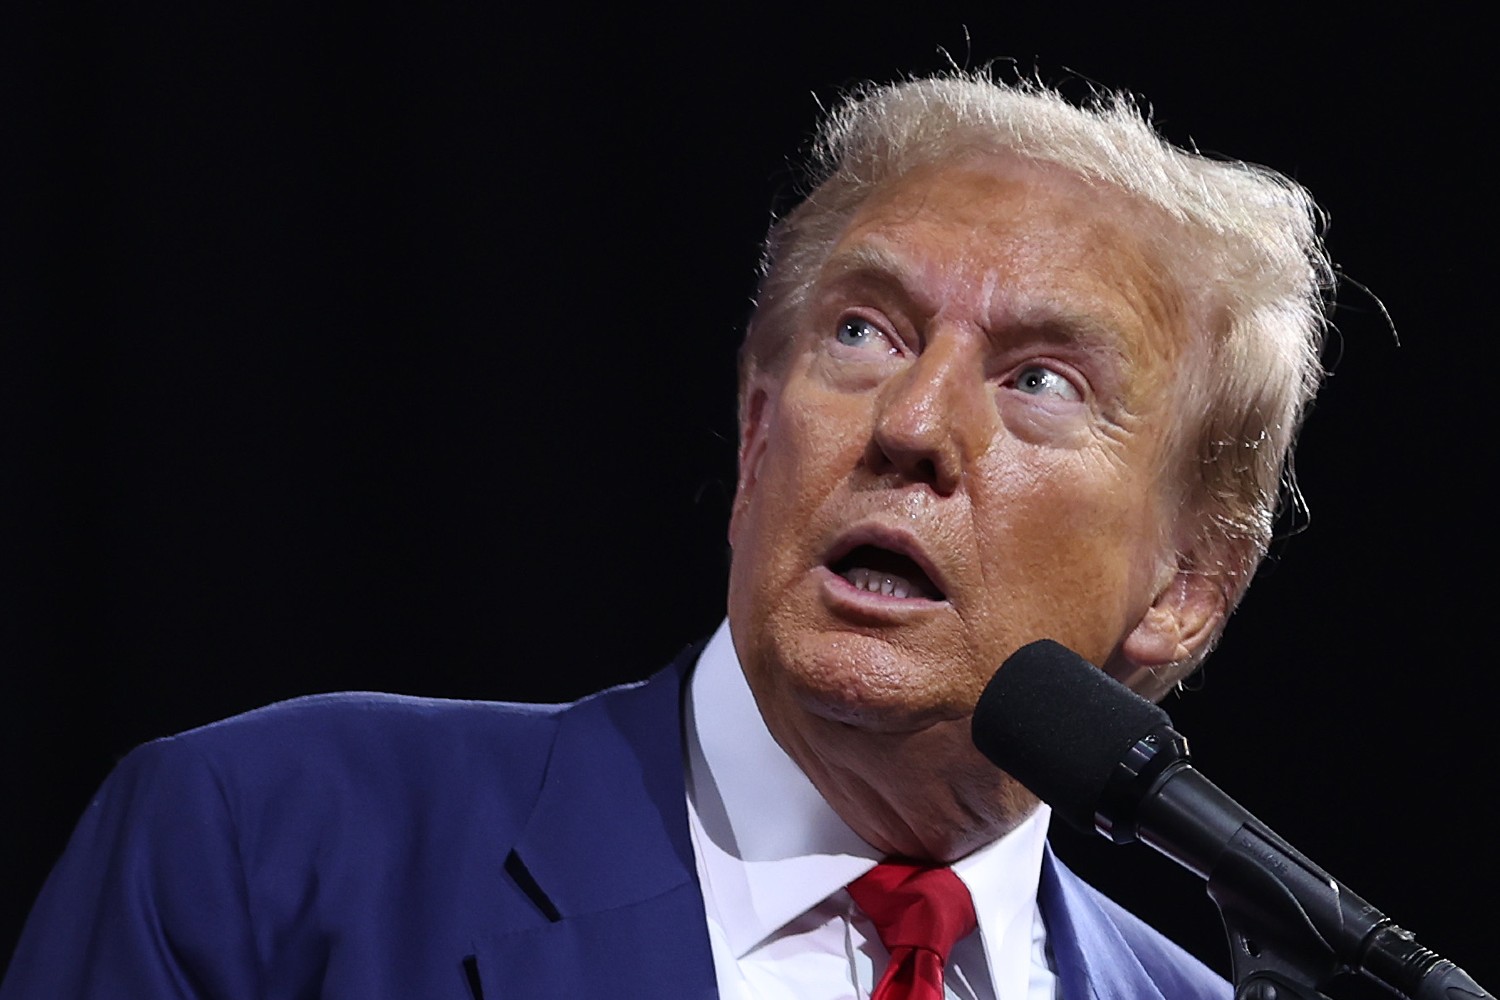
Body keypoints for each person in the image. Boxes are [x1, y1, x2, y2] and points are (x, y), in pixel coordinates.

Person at [1, 72, 1329, 999]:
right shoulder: (272, 847)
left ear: (1187, 588)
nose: (912, 422)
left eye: (1043, 381)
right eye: (863, 333)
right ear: (760, 435)